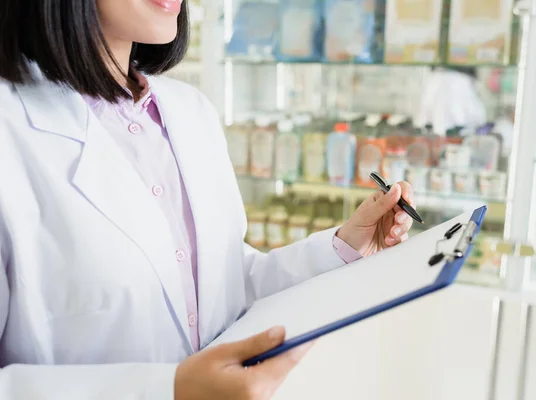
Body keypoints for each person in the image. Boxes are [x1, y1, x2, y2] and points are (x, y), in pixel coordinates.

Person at [0, 1, 415, 399]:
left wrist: (342, 246)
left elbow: (224, 289)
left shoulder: (188, 111)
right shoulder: (11, 129)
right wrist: (167, 391)